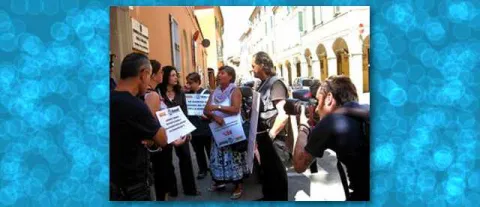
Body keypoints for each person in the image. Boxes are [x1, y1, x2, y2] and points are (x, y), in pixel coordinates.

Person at [110, 52, 185, 201]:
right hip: (133, 185)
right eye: (149, 75)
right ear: (143, 74)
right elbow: (162, 138)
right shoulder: (136, 105)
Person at [292, 75, 370, 201]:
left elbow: (299, 165)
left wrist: (303, 126)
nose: (316, 109)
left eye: (318, 101)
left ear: (329, 98)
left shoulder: (331, 122)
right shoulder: (367, 110)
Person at [204, 66, 249, 200]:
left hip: (232, 130)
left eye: (222, 73)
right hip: (217, 130)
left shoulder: (235, 90)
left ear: (230, 76)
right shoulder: (214, 91)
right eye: (219, 73)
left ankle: (238, 185)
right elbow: (206, 110)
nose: (218, 75)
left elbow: (235, 109)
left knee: (233, 157)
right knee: (218, 157)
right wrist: (214, 117)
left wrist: (217, 107)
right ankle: (220, 181)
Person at [251, 51, 289, 201]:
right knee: (267, 174)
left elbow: (283, 114)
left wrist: (271, 136)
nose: (252, 68)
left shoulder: (276, 84)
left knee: (277, 176)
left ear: (262, 65)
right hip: (264, 139)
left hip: (273, 139)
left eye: (253, 65)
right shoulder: (263, 85)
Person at [157, 66, 200, 197]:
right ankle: (172, 189)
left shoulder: (181, 93)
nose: (176, 78)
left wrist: (188, 131)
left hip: (181, 130)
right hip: (165, 132)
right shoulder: (158, 92)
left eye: (176, 75)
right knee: (167, 162)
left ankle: (190, 189)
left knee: (186, 158)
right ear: (166, 77)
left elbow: (185, 112)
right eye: (173, 75)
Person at [184, 72, 212, 179]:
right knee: (198, 151)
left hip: (206, 128)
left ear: (197, 82)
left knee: (209, 150)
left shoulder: (206, 93)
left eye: (190, 83)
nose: (188, 85)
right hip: (194, 128)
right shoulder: (187, 94)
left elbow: (212, 110)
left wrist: (209, 116)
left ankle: (214, 168)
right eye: (187, 82)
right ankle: (202, 169)